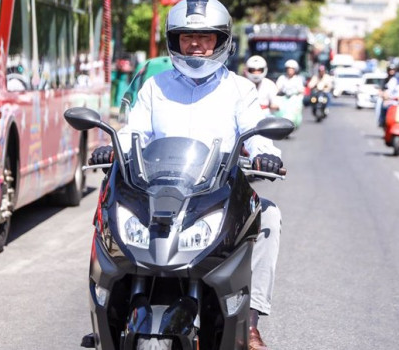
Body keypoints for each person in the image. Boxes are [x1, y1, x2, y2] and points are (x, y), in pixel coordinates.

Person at [90, 1, 283, 349]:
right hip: (159, 190)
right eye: (186, 36)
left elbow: (257, 133)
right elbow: (133, 131)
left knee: (269, 215)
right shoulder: (155, 86)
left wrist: (266, 154)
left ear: (222, 40)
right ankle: (108, 309)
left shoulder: (240, 90)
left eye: (205, 37)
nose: (195, 45)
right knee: (108, 215)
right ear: (173, 41)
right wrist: (111, 146)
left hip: (215, 191)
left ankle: (250, 320)